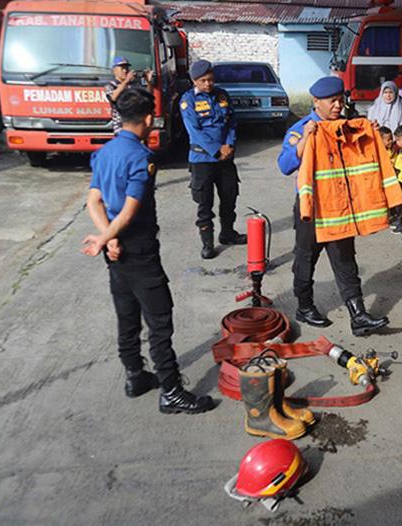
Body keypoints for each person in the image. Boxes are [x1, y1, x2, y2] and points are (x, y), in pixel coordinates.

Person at [82, 89, 214, 414]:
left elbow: (94, 201)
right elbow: (129, 212)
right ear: (148, 119)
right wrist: (106, 239)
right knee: (159, 320)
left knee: (127, 315)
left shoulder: (105, 152)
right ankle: (171, 391)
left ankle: (135, 376)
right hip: (138, 248)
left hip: (116, 251)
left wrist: (107, 238)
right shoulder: (142, 158)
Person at [277, 76, 389, 334]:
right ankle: (304, 307)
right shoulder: (302, 129)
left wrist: (369, 134)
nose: (339, 105)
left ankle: (358, 315)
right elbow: (284, 166)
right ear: (316, 102)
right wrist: (305, 142)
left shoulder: (346, 127)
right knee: (306, 259)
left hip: (339, 208)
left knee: (345, 260)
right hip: (312, 209)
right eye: (332, 101)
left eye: (341, 100)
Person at [180, 60, 245, 260]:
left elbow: (232, 122)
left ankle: (227, 233)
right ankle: (207, 243)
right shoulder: (187, 101)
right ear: (194, 80)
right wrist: (217, 151)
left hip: (226, 157)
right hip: (202, 159)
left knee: (229, 196)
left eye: (210, 80)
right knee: (204, 203)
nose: (208, 84)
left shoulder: (222, 95)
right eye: (203, 80)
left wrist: (230, 145)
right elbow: (195, 131)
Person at [105, 57, 154, 134]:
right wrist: (126, 81)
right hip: (121, 127)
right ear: (114, 70)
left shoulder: (134, 84)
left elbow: (148, 96)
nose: (125, 71)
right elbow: (113, 98)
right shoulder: (111, 85)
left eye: (127, 68)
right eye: (122, 68)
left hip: (136, 124)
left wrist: (148, 82)